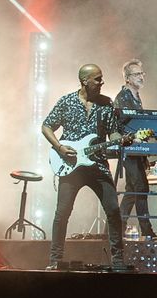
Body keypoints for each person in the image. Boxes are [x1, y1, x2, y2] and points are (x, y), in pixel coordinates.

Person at [41, 64, 130, 271]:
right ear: (84, 81)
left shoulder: (106, 104)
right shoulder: (66, 102)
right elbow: (46, 126)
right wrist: (60, 147)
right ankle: (55, 260)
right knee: (62, 213)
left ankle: (118, 261)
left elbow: (113, 133)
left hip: (97, 165)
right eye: (97, 79)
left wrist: (121, 139)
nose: (101, 83)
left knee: (114, 211)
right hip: (70, 165)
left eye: (101, 79)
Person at [113, 59, 156, 240]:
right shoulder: (122, 97)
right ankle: (146, 230)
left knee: (132, 189)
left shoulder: (136, 97)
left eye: (142, 73)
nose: (141, 77)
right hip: (128, 148)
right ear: (127, 78)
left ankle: (118, 227)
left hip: (137, 150)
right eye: (137, 74)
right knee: (140, 186)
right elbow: (120, 125)